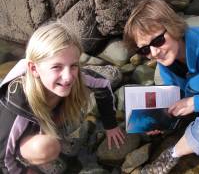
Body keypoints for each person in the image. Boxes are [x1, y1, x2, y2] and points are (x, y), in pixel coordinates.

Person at [123, 0, 199, 174]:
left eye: (157, 41)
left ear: (172, 26)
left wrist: (196, 103)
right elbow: (176, 94)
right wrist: (160, 118)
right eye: (145, 49)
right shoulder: (168, 60)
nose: (154, 53)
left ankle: (172, 155)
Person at [0, 22, 126, 174]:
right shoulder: (15, 104)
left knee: (76, 111)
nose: (68, 77)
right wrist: (23, 171)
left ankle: (55, 133)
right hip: (16, 137)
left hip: (47, 116)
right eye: (56, 67)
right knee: (47, 148)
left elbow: (104, 86)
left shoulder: (77, 77)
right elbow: (2, 158)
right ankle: (26, 156)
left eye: (73, 65)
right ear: (34, 69)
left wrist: (110, 124)